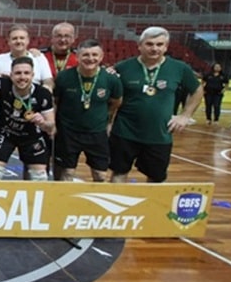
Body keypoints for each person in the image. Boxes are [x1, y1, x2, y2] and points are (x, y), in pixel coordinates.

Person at [109, 26, 202, 183]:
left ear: (166, 47)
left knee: (156, 178)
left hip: (159, 135)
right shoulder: (123, 67)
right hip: (124, 132)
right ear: (140, 45)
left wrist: (185, 116)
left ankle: (152, 208)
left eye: (159, 45)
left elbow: (197, 90)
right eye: (150, 44)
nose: (154, 48)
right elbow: (110, 95)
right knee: (118, 174)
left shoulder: (179, 68)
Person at [53, 40, 123, 182]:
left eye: (94, 55)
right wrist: (54, 125)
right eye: (85, 55)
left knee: (100, 175)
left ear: (101, 56)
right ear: (77, 57)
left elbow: (116, 102)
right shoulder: (64, 77)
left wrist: (108, 121)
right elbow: (55, 102)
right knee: (66, 173)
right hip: (68, 132)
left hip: (97, 132)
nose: (90, 58)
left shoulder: (111, 79)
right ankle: (61, 201)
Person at [0, 57, 56, 181]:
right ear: (11, 75)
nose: (22, 77)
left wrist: (43, 123)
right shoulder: (2, 85)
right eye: (18, 73)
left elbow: (51, 127)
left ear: (33, 75)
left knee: (40, 178)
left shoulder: (43, 94)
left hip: (31, 136)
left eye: (26, 73)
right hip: (6, 133)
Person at [0, 24, 54, 90]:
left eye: (22, 38)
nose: (18, 41)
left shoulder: (39, 58)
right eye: (14, 38)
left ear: (28, 40)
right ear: (8, 41)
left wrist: (46, 91)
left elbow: (48, 81)